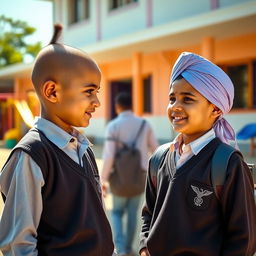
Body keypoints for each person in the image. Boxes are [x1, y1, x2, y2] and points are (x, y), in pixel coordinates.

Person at [0, 24, 114, 256]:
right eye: (89, 91)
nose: (97, 102)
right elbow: (18, 246)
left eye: (97, 92)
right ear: (52, 91)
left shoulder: (84, 149)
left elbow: (97, 222)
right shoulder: (33, 155)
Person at [139, 52, 256, 256]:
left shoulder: (227, 163)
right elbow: (148, 213)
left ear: (216, 109)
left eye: (187, 99)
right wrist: (143, 248)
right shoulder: (158, 158)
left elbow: (243, 239)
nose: (175, 106)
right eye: (172, 98)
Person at [101, 92, 158, 256]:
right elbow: (155, 149)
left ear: (117, 107)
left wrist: (103, 180)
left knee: (117, 213)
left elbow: (109, 156)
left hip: (118, 178)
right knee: (134, 213)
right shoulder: (144, 124)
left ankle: (121, 249)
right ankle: (129, 248)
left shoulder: (113, 126)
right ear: (131, 106)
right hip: (140, 177)